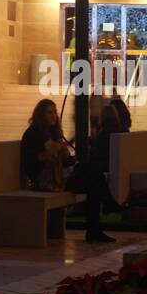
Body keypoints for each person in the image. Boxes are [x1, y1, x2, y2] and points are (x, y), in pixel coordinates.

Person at [20, 99, 117, 244]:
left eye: (54, 112)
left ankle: (96, 226)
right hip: (45, 178)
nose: (53, 116)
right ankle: (102, 217)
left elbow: (64, 161)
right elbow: (32, 160)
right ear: (41, 115)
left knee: (93, 178)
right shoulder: (34, 132)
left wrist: (65, 154)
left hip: (59, 174)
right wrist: (52, 151)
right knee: (93, 176)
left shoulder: (53, 131)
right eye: (49, 113)